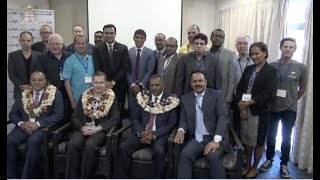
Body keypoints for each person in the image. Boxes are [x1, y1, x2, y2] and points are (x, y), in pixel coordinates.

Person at [259, 37, 307, 178]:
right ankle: (268, 160)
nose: (287, 49)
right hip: (272, 108)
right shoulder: (271, 65)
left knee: (286, 138)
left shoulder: (300, 67)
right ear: (280, 48)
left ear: (294, 49)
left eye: (291, 47)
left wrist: (292, 100)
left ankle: (284, 164)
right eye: (285, 46)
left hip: (289, 110)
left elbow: (302, 88)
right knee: (271, 136)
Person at [115, 75, 178, 178]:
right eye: (151, 85)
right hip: (141, 132)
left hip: (159, 135)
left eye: (157, 85)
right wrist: (141, 133)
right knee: (123, 147)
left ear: (163, 86)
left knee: (159, 151)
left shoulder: (171, 100)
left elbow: (171, 124)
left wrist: (154, 135)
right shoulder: (143, 97)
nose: (153, 88)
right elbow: (135, 119)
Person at [7, 71, 64, 178]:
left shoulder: (55, 93)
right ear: (30, 81)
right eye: (34, 80)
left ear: (46, 81)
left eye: (40, 80)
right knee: (9, 140)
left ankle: (26, 177)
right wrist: (21, 123)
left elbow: (58, 115)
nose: (36, 82)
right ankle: (10, 176)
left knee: (33, 141)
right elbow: (13, 114)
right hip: (23, 126)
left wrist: (37, 124)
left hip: (43, 127)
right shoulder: (23, 93)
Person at [174, 71, 229, 178]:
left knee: (212, 156)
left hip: (215, 137)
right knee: (185, 154)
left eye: (200, 81)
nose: (198, 83)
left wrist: (216, 140)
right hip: (197, 138)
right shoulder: (185, 98)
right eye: (194, 81)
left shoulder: (217, 95)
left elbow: (223, 117)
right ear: (190, 84)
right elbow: (183, 120)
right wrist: (180, 130)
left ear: (206, 82)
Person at [65, 71, 120, 178]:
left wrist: (98, 128)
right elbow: (74, 117)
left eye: (101, 83)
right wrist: (82, 127)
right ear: (92, 83)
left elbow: (115, 118)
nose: (98, 85)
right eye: (96, 82)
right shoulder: (84, 95)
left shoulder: (112, 97)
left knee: (90, 146)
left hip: (99, 130)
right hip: (84, 128)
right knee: (72, 144)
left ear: (105, 83)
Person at [235, 42, 278, 178]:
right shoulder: (248, 69)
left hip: (260, 111)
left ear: (265, 53)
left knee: (258, 142)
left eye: (257, 53)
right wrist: (241, 106)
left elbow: (268, 93)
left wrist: (247, 104)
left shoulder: (271, 70)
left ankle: (254, 167)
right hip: (245, 110)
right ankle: (247, 165)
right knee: (247, 140)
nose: (254, 56)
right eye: (252, 54)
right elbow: (240, 89)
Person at [92, 24, 130, 115]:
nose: (109, 35)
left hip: (119, 86)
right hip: (103, 87)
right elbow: (97, 67)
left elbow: (124, 68)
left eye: (112, 33)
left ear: (115, 34)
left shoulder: (123, 48)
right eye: (107, 33)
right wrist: (105, 82)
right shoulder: (97, 49)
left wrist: (112, 82)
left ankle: (119, 129)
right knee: (104, 112)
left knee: (118, 113)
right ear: (104, 34)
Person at [175, 33, 221, 98]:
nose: (199, 46)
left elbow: (217, 81)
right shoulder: (184, 58)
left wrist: (217, 98)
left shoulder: (213, 59)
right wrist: (179, 98)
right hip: (188, 96)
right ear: (193, 45)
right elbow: (179, 81)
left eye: (202, 44)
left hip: (209, 97)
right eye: (196, 43)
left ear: (206, 45)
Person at [127, 29, 155, 119]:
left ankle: (143, 132)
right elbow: (126, 70)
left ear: (145, 39)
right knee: (132, 112)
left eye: (141, 38)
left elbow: (150, 70)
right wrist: (132, 84)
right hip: (131, 88)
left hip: (145, 88)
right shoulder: (128, 52)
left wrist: (141, 85)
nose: (139, 39)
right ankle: (133, 132)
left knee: (144, 112)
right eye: (137, 37)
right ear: (133, 38)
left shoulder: (150, 53)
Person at [62, 34, 95, 110]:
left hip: (93, 97)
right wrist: (72, 100)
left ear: (87, 45)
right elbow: (66, 83)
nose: (81, 46)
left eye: (83, 43)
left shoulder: (92, 59)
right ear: (74, 45)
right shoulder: (69, 61)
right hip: (77, 99)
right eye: (78, 43)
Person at [8, 31, 41, 100]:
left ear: (32, 42)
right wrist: (23, 86)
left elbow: (41, 73)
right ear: (20, 41)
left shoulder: (39, 56)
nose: (25, 43)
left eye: (28, 40)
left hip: (37, 90)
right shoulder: (13, 56)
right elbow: (11, 75)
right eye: (23, 40)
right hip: (20, 91)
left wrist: (32, 86)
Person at [210, 29, 237, 109]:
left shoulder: (230, 54)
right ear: (211, 38)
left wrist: (228, 99)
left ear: (224, 39)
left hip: (223, 95)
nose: (218, 38)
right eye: (215, 36)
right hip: (208, 94)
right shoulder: (206, 53)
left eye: (221, 36)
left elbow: (232, 79)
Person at [232, 35, 254, 134]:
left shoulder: (255, 61)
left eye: (245, 43)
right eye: (240, 43)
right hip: (235, 99)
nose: (242, 46)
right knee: (235, 127)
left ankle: (247, 149)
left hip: (252, 100)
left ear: (250, 45)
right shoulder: (231, 61)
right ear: (236, 46)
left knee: (248, 129)